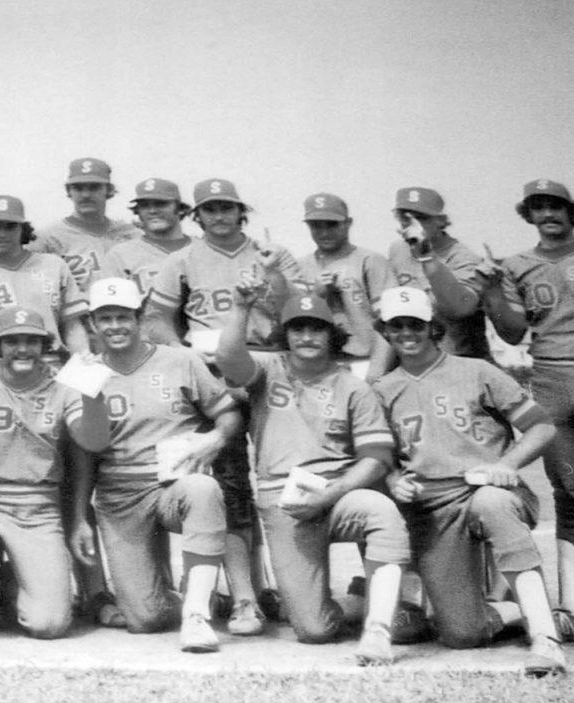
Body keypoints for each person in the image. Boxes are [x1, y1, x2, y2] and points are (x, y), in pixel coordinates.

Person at [372, 286, 566, 676]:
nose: (407, 333)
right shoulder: (382, 390)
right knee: (462, 634)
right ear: (386, 332)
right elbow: (378, 457)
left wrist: (508, 464)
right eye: (397, 326)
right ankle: (508, 607)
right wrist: (393, 479)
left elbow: (542, 427)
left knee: (491, 502)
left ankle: (545, 636)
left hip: (489, 488)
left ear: (433, 328)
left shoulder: (476, 370)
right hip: (433, 506)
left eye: (416, 324)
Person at [217, 289, 409, 665]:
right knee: (314, 629)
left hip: (339, 491)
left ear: (331, 335)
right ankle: (357, 603)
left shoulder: (352, 385)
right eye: (297, 329)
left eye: (316, 329)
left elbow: (376, 457)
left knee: (382, 512)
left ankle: (378, 630)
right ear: (284, 334)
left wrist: (333, 492)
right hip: (282, 496)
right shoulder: (268, 369)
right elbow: (228, 358)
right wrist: (241, 308)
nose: (306, 337)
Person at [144, 178, 301, 635]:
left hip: (268, 362)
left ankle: (284, 587)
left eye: (226, 208)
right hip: (210, 366)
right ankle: (245, 596)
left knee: (280, 475)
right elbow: (156, 319)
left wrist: (273, 273)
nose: (218, 217)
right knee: (229, 481)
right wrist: (187, 361)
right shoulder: (182, 259)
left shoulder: (273, 252)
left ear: (241, 211)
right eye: (209, 210)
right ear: (197, 216)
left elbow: (299, 310)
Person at [72, 278, 238, 652]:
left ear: (140, 316)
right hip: (120, 494)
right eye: (105, 318)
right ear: (92, 324)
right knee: (144, 620)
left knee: (203, 488)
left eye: (123, 316)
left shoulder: (180, 360)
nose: (115, 326)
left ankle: (196, 614)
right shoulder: (85, 372)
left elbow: (227, 414)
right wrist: (81, 514)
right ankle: (178, 591)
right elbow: (83, 453)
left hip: (173, 481)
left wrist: (216, 438)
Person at [0, 307, 110, 639]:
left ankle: (7, 582)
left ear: (45, 346)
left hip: (36, 509)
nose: (23, 349)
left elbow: (92, 441)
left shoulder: (64, 385)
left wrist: (93, 392)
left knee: (49, 625)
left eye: (32, 341)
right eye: (12, 341)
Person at [481, 178, 574, 641]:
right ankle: (570, 606)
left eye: (555, 205)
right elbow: (514, 334)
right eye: (538, 207)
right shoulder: (517, 264)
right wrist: (494, 292)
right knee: (569, 492)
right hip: (552, 375)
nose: (547, 214)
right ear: (528, 214)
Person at [0, 195, 89, 363]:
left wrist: (83, 363)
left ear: (23, 229)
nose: (2, 234)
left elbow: (72, 326)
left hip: (49, 364)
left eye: (10, 226)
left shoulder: (54, 265)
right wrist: (19, 362)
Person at [294, 193, 396, 382]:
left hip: (364, 361)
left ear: (347, 223)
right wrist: (317, 296)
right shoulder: (299, 267)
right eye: (316, 225)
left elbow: (389, 321)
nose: (324, 233)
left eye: (331, 224)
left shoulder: (371, 261)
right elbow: (295, 328)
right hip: (318, 366)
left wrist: (376, 371)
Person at [385, 187, 490, 359]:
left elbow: (460, 308)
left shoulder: (464, 257)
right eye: (405, 217)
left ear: (441, 220)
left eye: (421, 218)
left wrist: (426, 255)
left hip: (460, 359)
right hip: (415, 357)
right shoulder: (398, 249)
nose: (413, 225)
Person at [29, 158, 136, 289]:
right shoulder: (47, 238)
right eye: (78, 188)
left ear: (109, 190)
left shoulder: (132, 235)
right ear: (69, 191)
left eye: (94, 187)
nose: (86, 195)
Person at [94, 178, 193, 296]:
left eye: (160, 204)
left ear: (180, 209)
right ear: (137, 211)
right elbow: (110, 306)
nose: (152, 210)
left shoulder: (203, 249)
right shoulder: (120, 255)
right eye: (145, 206)